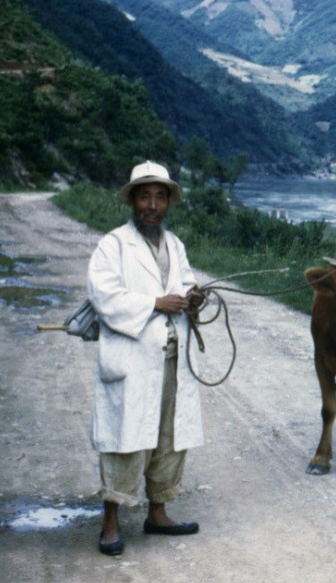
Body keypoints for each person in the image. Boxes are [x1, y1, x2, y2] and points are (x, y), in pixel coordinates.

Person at [87, 160, 206, 556]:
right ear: (133, 200)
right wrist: (155, 302)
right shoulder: (113, 245)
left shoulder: (175, 245)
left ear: (168, 202)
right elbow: (104, 298)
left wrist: (193, 299)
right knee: (125, 438)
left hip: (172, 356)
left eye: (159, 197)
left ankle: (158, 512)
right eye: (144, 196)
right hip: (133, 355)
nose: (151, 205)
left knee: (169, 436)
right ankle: (111, 521)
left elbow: (185, 283)